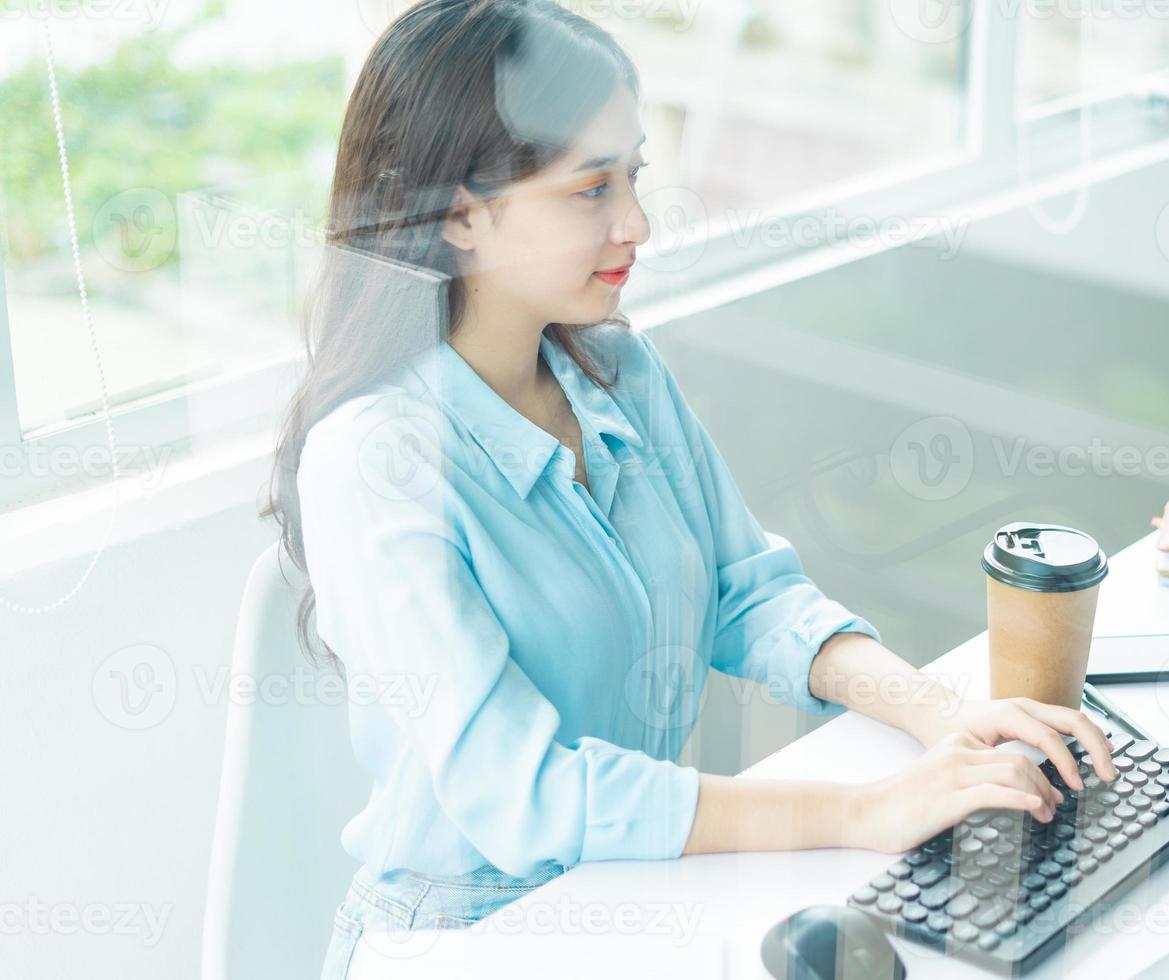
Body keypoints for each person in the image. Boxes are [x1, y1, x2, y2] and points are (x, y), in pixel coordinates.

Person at [261, 3, 1119, 977]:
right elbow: (523, 792)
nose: (635, 222)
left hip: (643, 893)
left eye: (633, 175)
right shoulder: (375, 462)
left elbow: (747, 590)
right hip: (471, 940)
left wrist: (937, 711)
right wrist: (862, 812)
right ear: (459, 213)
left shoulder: (619, 372)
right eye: (589, 190)